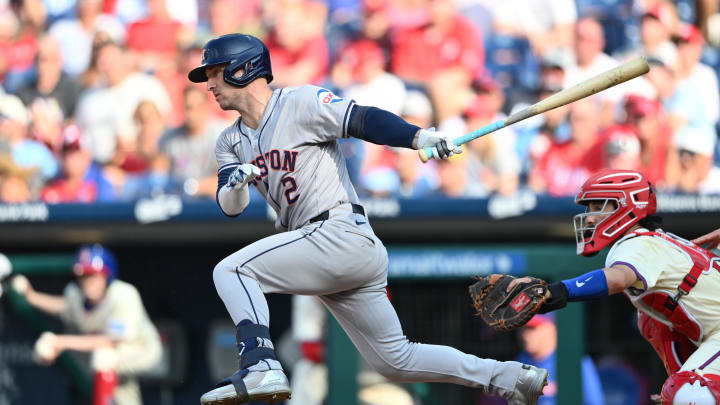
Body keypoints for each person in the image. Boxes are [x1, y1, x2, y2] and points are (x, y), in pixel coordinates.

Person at [188, 33, 548, 405]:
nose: (210, 84)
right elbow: (231, 207)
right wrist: (235, 184)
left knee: (232, 271)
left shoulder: (299, 102)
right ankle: (510, 377)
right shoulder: (228, 141)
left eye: (215, 72)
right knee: (396, 360)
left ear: (244, 69)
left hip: (337, 231)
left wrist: (419, 137)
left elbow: (363, 119)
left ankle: (260, 363)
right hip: (326, 251)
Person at [510, 168, 720, 404]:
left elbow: (619, 277)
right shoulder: (651, 245)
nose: (589, 218)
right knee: (653, 327)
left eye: (597, 206)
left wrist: (557, 291)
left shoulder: (635, 243)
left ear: (625, 205)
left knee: (688, 391)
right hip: (713, 334)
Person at [11, 244, 162, 405]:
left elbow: (109, 341)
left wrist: (60, 342)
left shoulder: (123, 295)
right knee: (101, 368)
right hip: (108, 352)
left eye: (93, 275)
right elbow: (64, 306)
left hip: (142, 348)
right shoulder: (75, 294)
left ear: (107, 275)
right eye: (83, 275)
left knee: (104, 358)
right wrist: (31, 296)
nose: (88, 281)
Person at [515, 314, 605, 405]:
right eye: (522, 328)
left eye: (532, 328)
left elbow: (594, 402)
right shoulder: (521, 361)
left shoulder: (573, 359)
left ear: (552, 328)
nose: (525, 335)